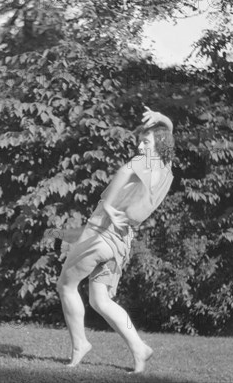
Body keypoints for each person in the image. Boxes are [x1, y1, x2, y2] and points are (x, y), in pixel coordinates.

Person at [48, 106, 175, 373]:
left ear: (157, 144)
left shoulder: (145, 161)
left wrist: (106, 205)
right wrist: (161, 119)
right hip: (121, 241)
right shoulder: (166, 168)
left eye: (146, 140)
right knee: (100, 300)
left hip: (102, 233)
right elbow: (168, 131)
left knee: (66, 286)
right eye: (140, 140)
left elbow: (124, 170)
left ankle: (80, 344)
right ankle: (140, 348)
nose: (140, 145)